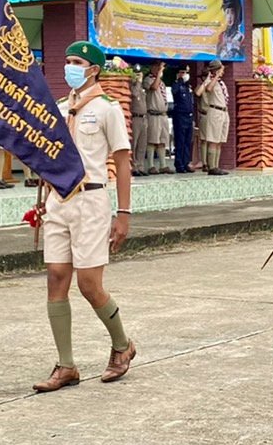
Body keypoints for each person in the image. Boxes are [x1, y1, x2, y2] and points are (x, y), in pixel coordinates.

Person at [32, 41, 138, 392]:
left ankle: (122, 345)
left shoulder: (108, 108)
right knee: (56, 277)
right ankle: (66, 366)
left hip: (91, 200)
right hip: (59, 201)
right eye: (67, 61)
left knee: (89, 284)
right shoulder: (61, 108)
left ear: (93, 69)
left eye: (76, 62)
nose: (70, 68)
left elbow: (122, 161)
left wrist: (124, 213)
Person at [196, 60, 230, 175]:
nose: (223, 72)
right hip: (215, 111)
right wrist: (215, 76)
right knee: (213, 140)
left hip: (223, 112)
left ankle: (216, 165)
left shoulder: (221, 83)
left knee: (219, 140)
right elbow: (208, 89)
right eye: (221, 69)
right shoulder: (210, 80)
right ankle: (211, 167)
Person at [144, 61, 171, 174]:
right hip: (153, 114)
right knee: (152, 139)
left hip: (163, 115)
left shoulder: (162, 82)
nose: (160, 69)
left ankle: (163, 165)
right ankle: (150, 165)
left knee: (162, 140)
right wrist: (159, 73)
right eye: (158, 67)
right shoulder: (148, 79)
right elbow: (154, 87)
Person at [170, 64, 196, 173]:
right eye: (183, 72)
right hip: (180, 116)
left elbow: (191, 102)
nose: (185, 75)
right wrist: (180, 80)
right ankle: (179, 164)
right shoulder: (177, 84)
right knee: (180, 141)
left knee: (187, 141)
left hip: (188, 116)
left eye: (186, 73)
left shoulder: (187, 86)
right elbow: (174, 92)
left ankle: (186, 163)